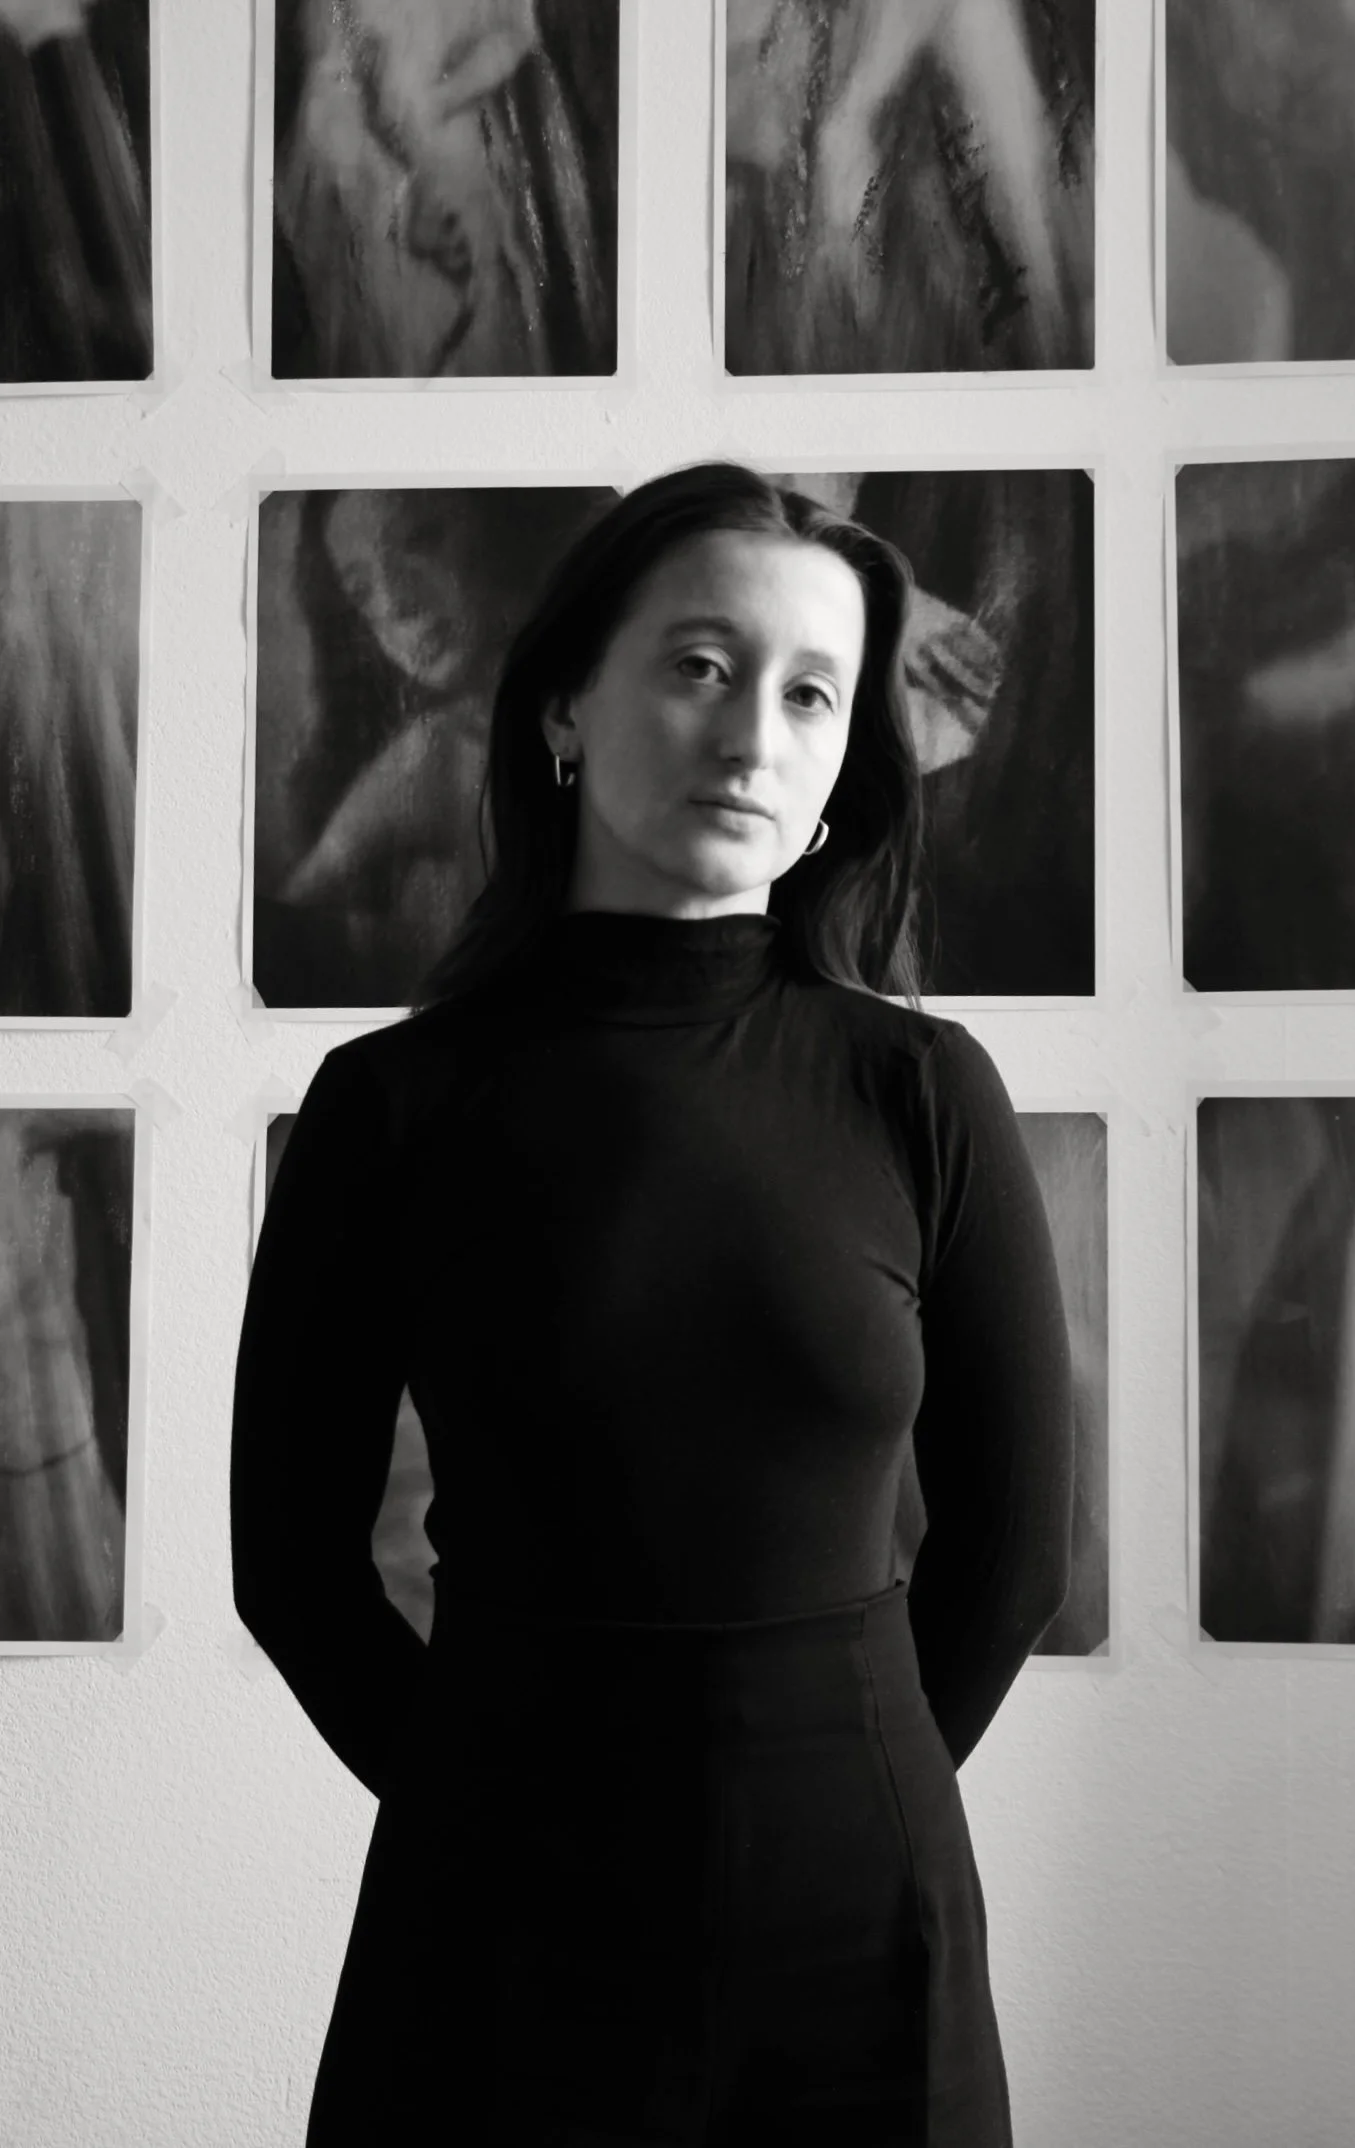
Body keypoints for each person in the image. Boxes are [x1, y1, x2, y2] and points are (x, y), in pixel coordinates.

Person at [229, 460, 1075, 2145]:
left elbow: (1014, 1553)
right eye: (700, 664)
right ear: (564, 705)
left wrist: (847, 1787)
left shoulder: (923, 1091)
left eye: (811, 693)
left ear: (844, 762)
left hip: (863, 1939)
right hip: (492, 1933)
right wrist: (486, 1807)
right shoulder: (391, 1106)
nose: (754, 733)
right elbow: (292, 1569)